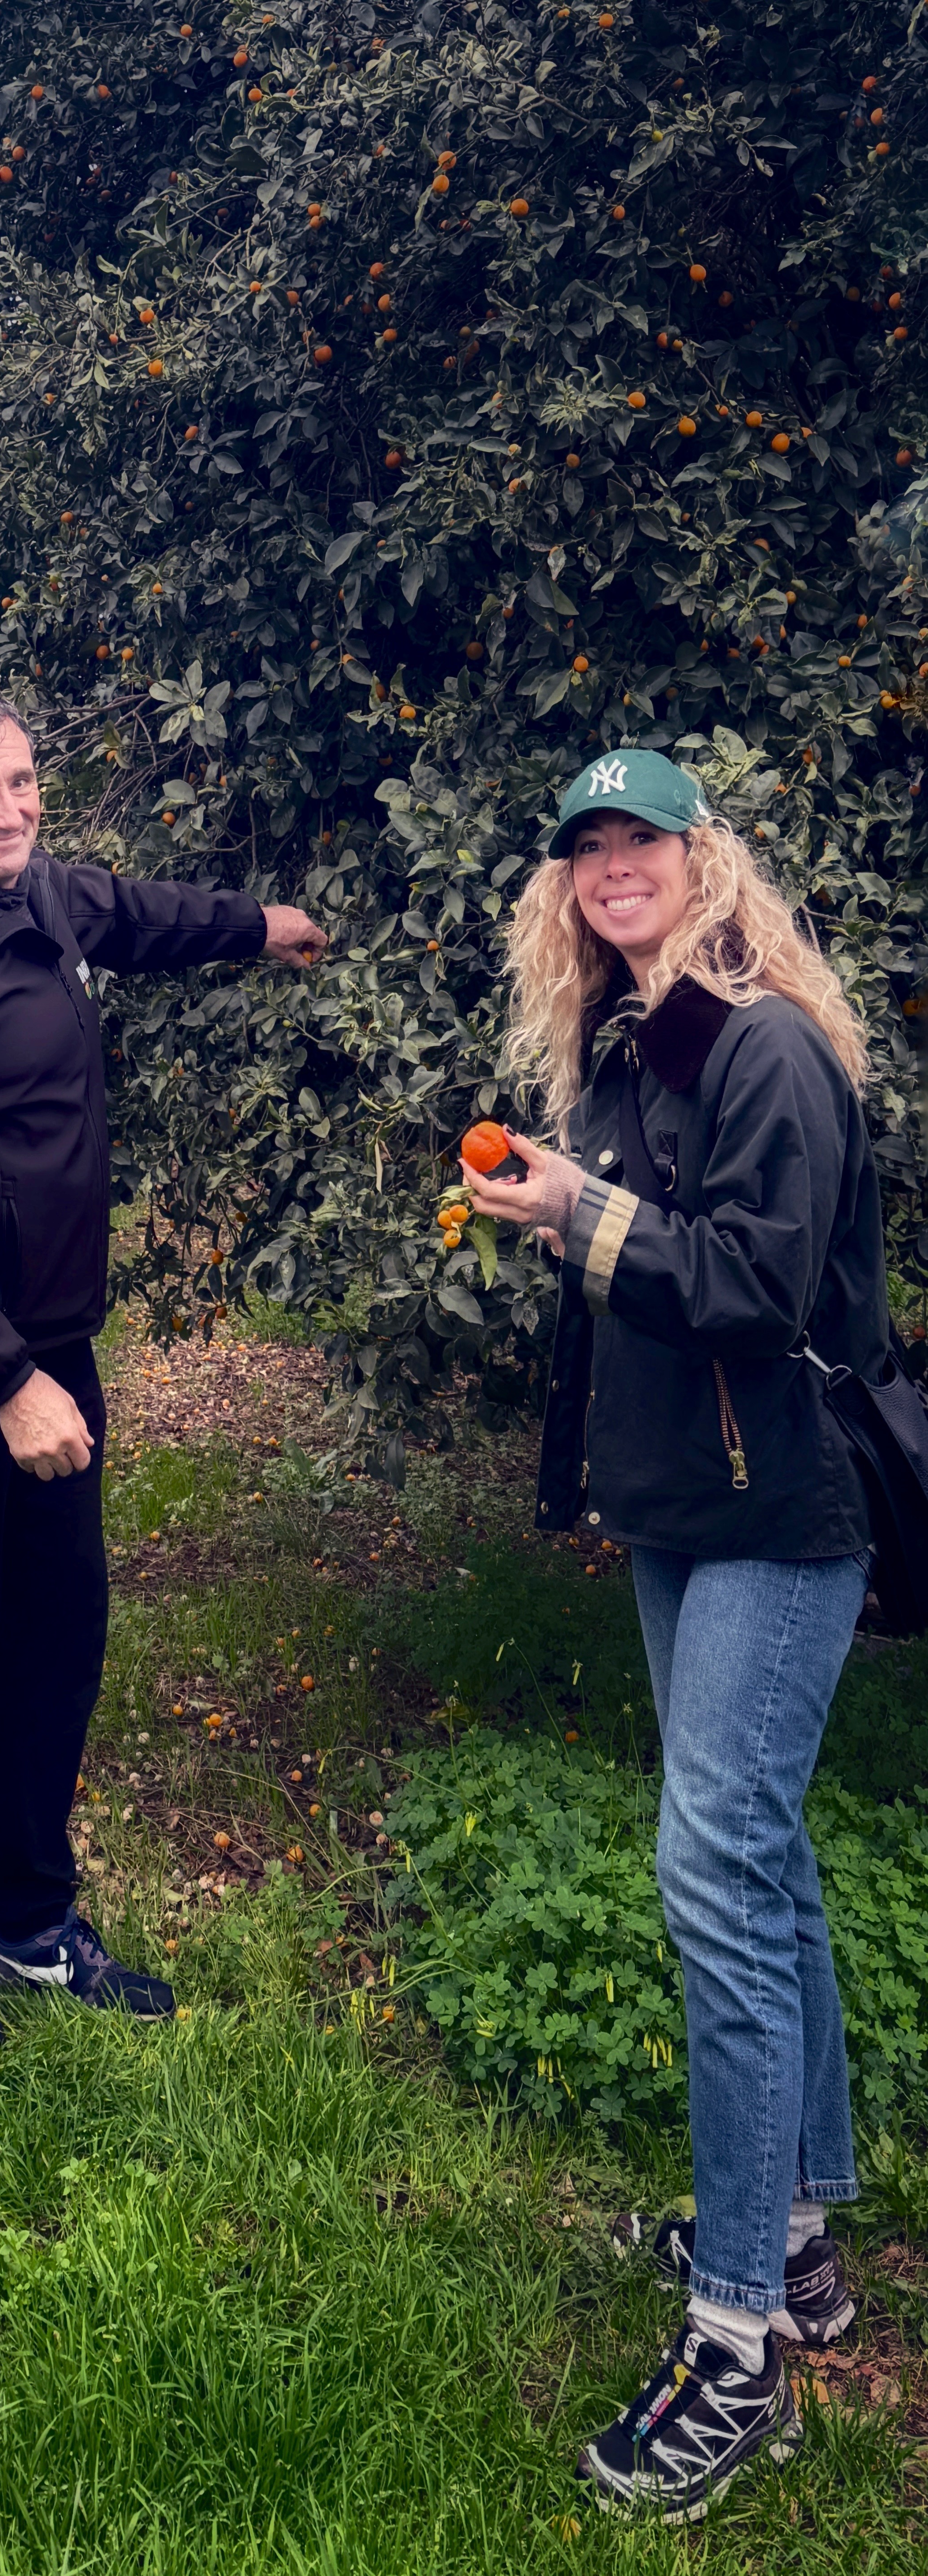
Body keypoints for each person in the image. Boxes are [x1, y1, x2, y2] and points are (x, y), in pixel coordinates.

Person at [462, 747, 884, 2524]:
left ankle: (736, 2350)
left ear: (706, 861)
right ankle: (791, 2233)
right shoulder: (636, 1041)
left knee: (711, 1870)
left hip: (782, 1524)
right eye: (588, 848)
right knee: (762, 1862)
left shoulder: (762, 1042)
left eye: (644, 839)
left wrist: (578, 1211)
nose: (614, 867)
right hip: (683, 1517)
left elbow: (758, 1288)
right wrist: (570, 1204)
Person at [0, 682, 328, 2051]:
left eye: (22, 781)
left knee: (54, 1631)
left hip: (45, 1343)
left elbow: (135, 913)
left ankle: (28, 1926)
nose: (8, 809)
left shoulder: (35, 895)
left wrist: (259, 929)